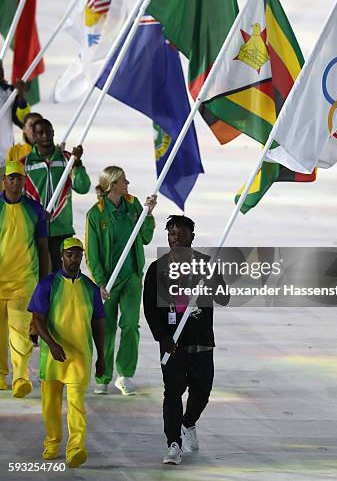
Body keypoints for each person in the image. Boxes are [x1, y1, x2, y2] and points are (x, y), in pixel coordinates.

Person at [143, 215, 230, 465]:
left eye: (181, 234)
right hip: (172, 344)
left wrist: (210, 283)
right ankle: (173, 443)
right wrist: (162, 337)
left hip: (201, 342)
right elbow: (149, 308)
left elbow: (224, 298)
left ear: (192, 236)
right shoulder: (156, 269)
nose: (175, 238)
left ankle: (188, 423)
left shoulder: (206, 265)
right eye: (171, 234)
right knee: (172, 393)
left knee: (202, 392)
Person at [28, 237, 105, 469]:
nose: (74, 258)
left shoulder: (90, 288)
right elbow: (37, 319)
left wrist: (101, 356)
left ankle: (76, 448)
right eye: (70, 254)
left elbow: (98, 323)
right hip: (51, 358)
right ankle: (52, 442)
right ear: (62, 256)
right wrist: (51, 344)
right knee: (50, 405)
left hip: (80, 356)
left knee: (76, 404)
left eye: (78, 254)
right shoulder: (48, 285)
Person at [85, 166, 156, 396]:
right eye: (124, 180)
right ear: (112, 185)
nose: (128, 182)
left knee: (130, 326)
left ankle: (125, 375)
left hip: (132, 277)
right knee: (106, 329)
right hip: (108, 282)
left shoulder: (134, 206)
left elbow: (145, 238)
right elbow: (91, 252)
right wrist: (99, 282)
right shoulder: (96, 214)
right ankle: (103, 375)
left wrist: (149, 214)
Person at [0, 161, 48, 396]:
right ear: (4, 180)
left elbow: (42, 247)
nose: (16, 182)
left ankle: (20, 377)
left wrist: (44, 281)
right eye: (11, 178)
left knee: (20, 331)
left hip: (23, 280)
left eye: (19, 178)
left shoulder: (35, 210)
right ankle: (0, 375)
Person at [23, 118, 91, 271]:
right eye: (40, 132)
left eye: (48, 132)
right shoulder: (25, 164)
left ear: (53, 133)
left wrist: (78, 164)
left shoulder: (68, 159)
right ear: (33, 136)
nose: (45, 135)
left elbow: (83, 187)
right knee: (37, 275)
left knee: (64, 276)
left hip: (62, 229)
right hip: (34, 229)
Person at [0, 59, 30, 184]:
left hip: (5, 158)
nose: (0, 72)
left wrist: (21, 95)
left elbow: (23, 120)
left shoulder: (10, 92)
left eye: (1, 68)